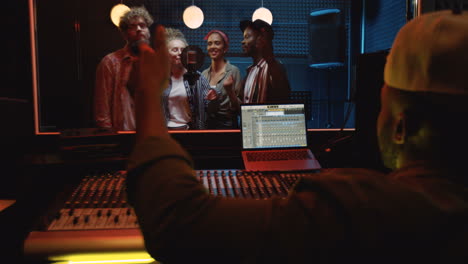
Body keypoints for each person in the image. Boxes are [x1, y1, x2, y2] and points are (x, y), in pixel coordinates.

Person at [127, 9, 468, 264]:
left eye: (380, 105)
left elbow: (181, 228)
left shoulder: (363, 209)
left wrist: (147, 95)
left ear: (400, 127)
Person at [94, 6, 153, 131]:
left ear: (148, 30)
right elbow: (102, 109)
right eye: (132, 26)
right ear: (124, 34)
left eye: (142, 25)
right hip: (123, 136)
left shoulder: (155, 61)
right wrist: (110, 139)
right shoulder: (110, 62)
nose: (138, 29)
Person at [162, 28, 218, 130]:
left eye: (183, 50)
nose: (179, 53)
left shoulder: (199, 78)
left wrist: (213, 97)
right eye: (175, 50)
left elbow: (210, 109)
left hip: (189, 130)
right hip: (166, 131)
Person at [239, 19, 291, 104]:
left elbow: (283, 99)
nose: (243, 41)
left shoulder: (274, 68)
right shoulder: (250, 71)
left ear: (261, 39)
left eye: (247, 37)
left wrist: (267, 46)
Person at [201, 30, 242, 129]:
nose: (212, 47)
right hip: (208, 126)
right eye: (209, 44)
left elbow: (240, 108)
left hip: (227, 126)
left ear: (225, 48)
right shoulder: (203, 74)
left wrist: (230, 91)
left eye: (217, 43)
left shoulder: (233, 71)